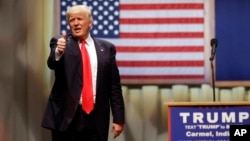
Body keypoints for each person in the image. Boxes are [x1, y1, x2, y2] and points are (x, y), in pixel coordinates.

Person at [41, 4, 125, 141]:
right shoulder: (61, 43)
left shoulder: (107, 48)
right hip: (66, 118)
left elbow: (114, 86)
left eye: (79, 19)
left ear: (90, 23)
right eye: (71, 20)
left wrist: (118, 118)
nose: (75, 23)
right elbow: (52, 63)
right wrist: (58, 52)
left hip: (96, 118)